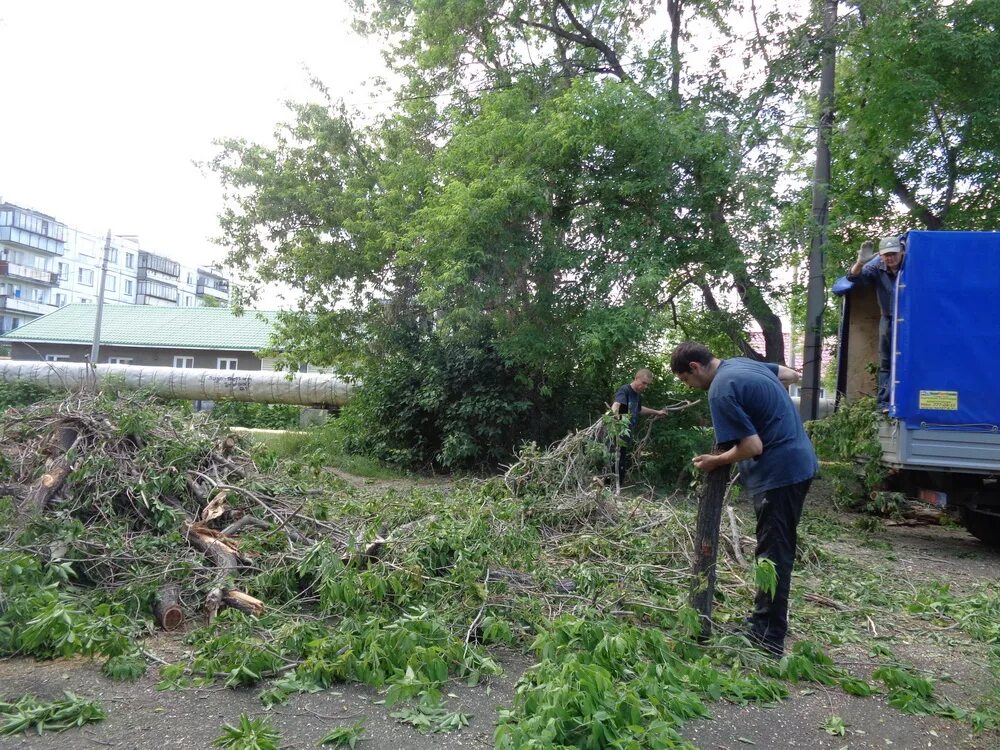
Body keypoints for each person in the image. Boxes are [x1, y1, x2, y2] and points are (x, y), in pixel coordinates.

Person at [670, 342, 819, 657]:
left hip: (780, 473)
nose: (689, 386)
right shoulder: (741, 365)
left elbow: (752, 446)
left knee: (773, 553)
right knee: (772, 549)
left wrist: (716, 460)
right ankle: (763, 622)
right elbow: (790, 374)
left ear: (694, 367)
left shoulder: (721, 390)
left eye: (685, 380)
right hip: (798, 462)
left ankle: (768, 637)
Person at [846, 235, 906, 409]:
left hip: (912, 321)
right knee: (886, 362)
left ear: (902, 252)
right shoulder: (876, 266)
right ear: (881, 256)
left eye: (894, 254)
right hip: (889, 319)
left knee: (910, 359)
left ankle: (908, 402)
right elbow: (853, 277)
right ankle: (884, 405)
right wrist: (860, 263)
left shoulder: (912, 265)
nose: (890, 258)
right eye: (886, 255)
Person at [610, 368, 667, 486]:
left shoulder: (637, 395)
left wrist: (657, 412)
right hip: (617, 434)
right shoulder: (625, 390)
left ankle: (616, 488)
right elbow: (616, 405)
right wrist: (617, 421)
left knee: (621, 462)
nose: (645, 386)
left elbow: (639, 409)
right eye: (644, 383)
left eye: (647, 384)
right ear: (636, 378)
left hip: (626, 435)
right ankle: (610, 488)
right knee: (614, 462)